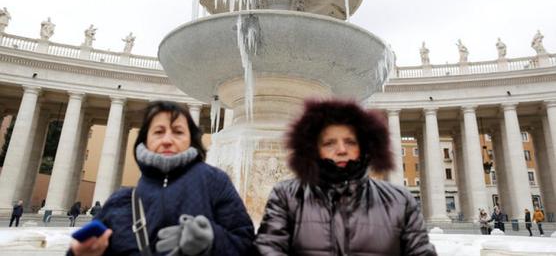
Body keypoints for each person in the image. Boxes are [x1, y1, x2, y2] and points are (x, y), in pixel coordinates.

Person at [69, 100, 254, 255]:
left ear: (192, 139)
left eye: (178, 132)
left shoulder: (214, 181)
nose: (167, 140)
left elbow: (247, 245)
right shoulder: (120, 202)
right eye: (158, 132)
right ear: (144, 140)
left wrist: (212, 240)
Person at [254, 99, 437, 255]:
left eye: (350, 142)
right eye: (329, 143)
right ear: (313, 149)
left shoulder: (400, 200)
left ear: (365, 146)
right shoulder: (287, 195)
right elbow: (268, 248)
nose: (341, 150)